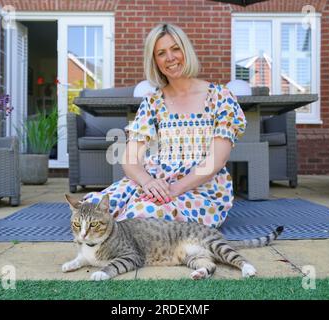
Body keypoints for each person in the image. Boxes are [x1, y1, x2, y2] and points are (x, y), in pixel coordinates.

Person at [83, 23, 246, 228]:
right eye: (161, 53)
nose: (170, 58)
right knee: (90, 210)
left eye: (175, 48)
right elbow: (130, 158)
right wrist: (148, 183)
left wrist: (174, 189)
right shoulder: (153, 102)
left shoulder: (220, 97)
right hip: (155, 182)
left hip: (199, 187)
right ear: (155, 61)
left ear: (186, 50)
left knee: (143, 215)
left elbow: (217, 160)